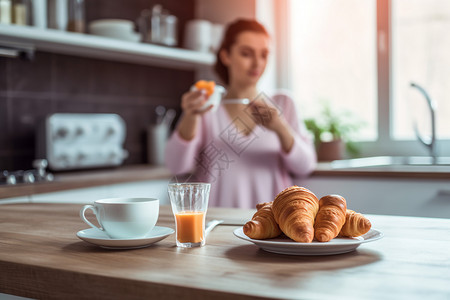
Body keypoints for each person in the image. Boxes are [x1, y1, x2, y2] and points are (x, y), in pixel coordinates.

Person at [165, 19, 317, 209]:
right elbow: (177, 167)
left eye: (264, 55)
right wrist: (190, 115)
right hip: (217, 223)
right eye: (246, 53)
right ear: (226, 56)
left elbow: (305, 167)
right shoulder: (206, 107)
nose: (257, 63)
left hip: (273, 224)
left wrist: (280, 128)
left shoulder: (283, 104)